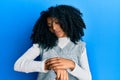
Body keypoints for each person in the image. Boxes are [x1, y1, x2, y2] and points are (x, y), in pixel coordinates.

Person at [14, 5, 92, 80]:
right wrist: (47, 65)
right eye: (49, 25)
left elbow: (88, 78)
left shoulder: (79, 46)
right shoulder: (42, 45)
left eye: (57, 23)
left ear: (68, 22)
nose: (54, 28)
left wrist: (72, 65)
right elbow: (18, 65)